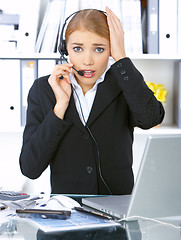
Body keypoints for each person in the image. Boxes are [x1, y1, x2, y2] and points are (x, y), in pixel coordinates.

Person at [19, 7, 164, 195]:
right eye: (77, 48)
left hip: (117, 210)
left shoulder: (124, 83)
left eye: (99, 49)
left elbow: (151, 119)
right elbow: (30, 168)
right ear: (65, 49)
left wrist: (122, 58)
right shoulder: (44, 89)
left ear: (111, 49)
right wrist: (60, 107)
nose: (87, 61)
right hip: (68, 213)